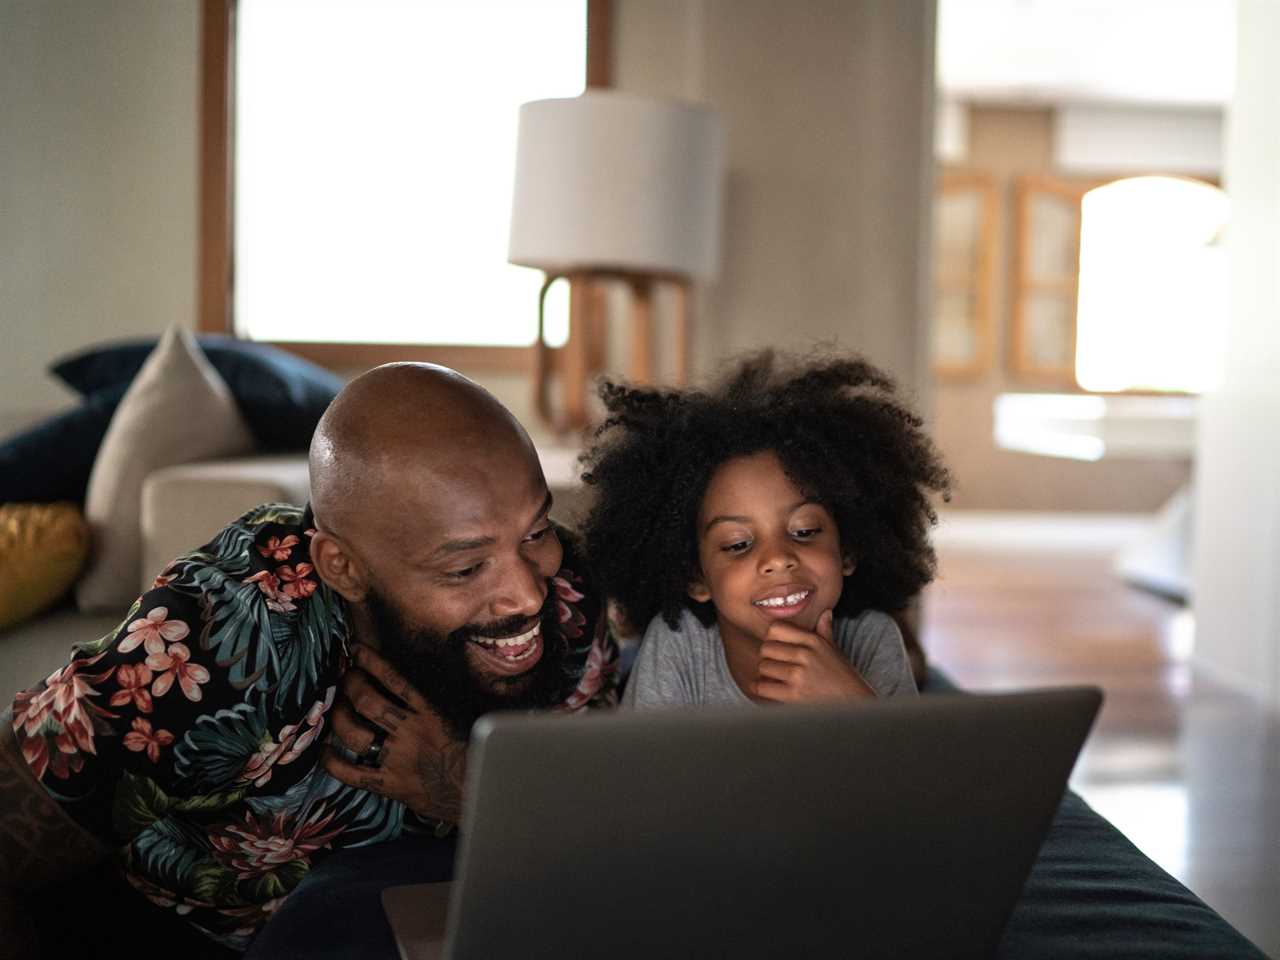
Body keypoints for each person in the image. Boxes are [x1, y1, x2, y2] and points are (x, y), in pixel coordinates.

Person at [0, 363, 619, 958]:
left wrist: (466, 788)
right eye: (464, 567)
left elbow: (617, 837)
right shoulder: (219, 638)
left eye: (535, 531)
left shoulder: (569, 598)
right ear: (342, 568)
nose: (528, 592)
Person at [578, 350, 949, 708]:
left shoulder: (872, 639)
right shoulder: (678, 647)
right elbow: (645, 772)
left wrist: (851, 704)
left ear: (847, 549)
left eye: (804, 531)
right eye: (738, 544)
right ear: (696, 577)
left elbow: (907, 772)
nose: (778, 558)